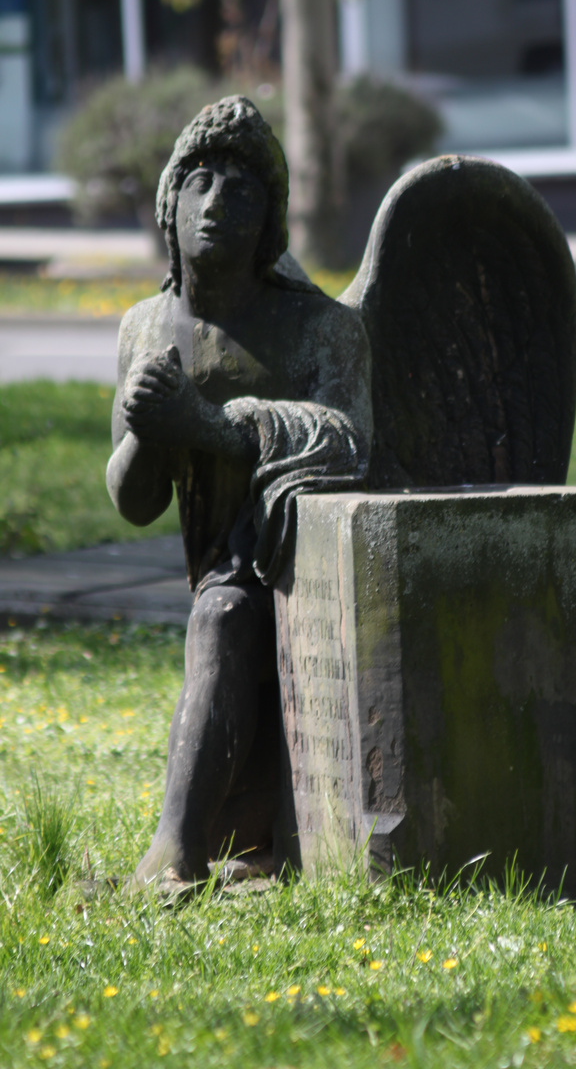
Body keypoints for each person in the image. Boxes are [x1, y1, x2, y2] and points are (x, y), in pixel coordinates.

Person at [106, 96, 372, 888]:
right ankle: (192, 840)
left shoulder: (321, 329)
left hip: (316, 570)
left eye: (246, 190)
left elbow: (352, 444)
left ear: (272, 222)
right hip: (222, 573)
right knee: (220, 607)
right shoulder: (144, 328)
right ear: (170, 204)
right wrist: (151, 428)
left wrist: (214, 425)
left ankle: (175, 849)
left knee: (222, 612)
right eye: (201, 181)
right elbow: (133, 499)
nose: (220, 202)